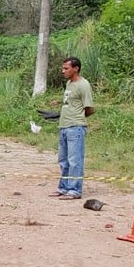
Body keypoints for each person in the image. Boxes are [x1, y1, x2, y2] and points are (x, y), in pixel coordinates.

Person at [52, 57, 94, 200]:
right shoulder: (69, 84)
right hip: (64, 126)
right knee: (63, 160)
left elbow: (89, 108)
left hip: (75, 127)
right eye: (62, 68)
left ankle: (75, 189)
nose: (63, 71)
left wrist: (78, 119)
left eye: (66, 68)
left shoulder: (84, 85)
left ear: (75, 68)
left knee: (75, 160)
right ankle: (64, 187)